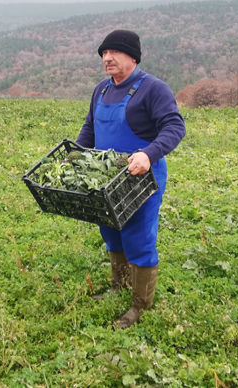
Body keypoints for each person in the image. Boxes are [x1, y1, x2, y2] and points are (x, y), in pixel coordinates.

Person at [76, 29, 186, 329]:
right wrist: (76, 156)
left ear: (133, 57)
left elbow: (174, 127)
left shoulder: (153, 89)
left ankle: (140, 306)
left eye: (114, 53)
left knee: (139, 238)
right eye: (103, 53)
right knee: (111, 233)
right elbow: (90, 128)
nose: (107, 58)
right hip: (106, 179)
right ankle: (118, 286)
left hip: (141, 179)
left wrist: (149, 154)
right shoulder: (101, 90)